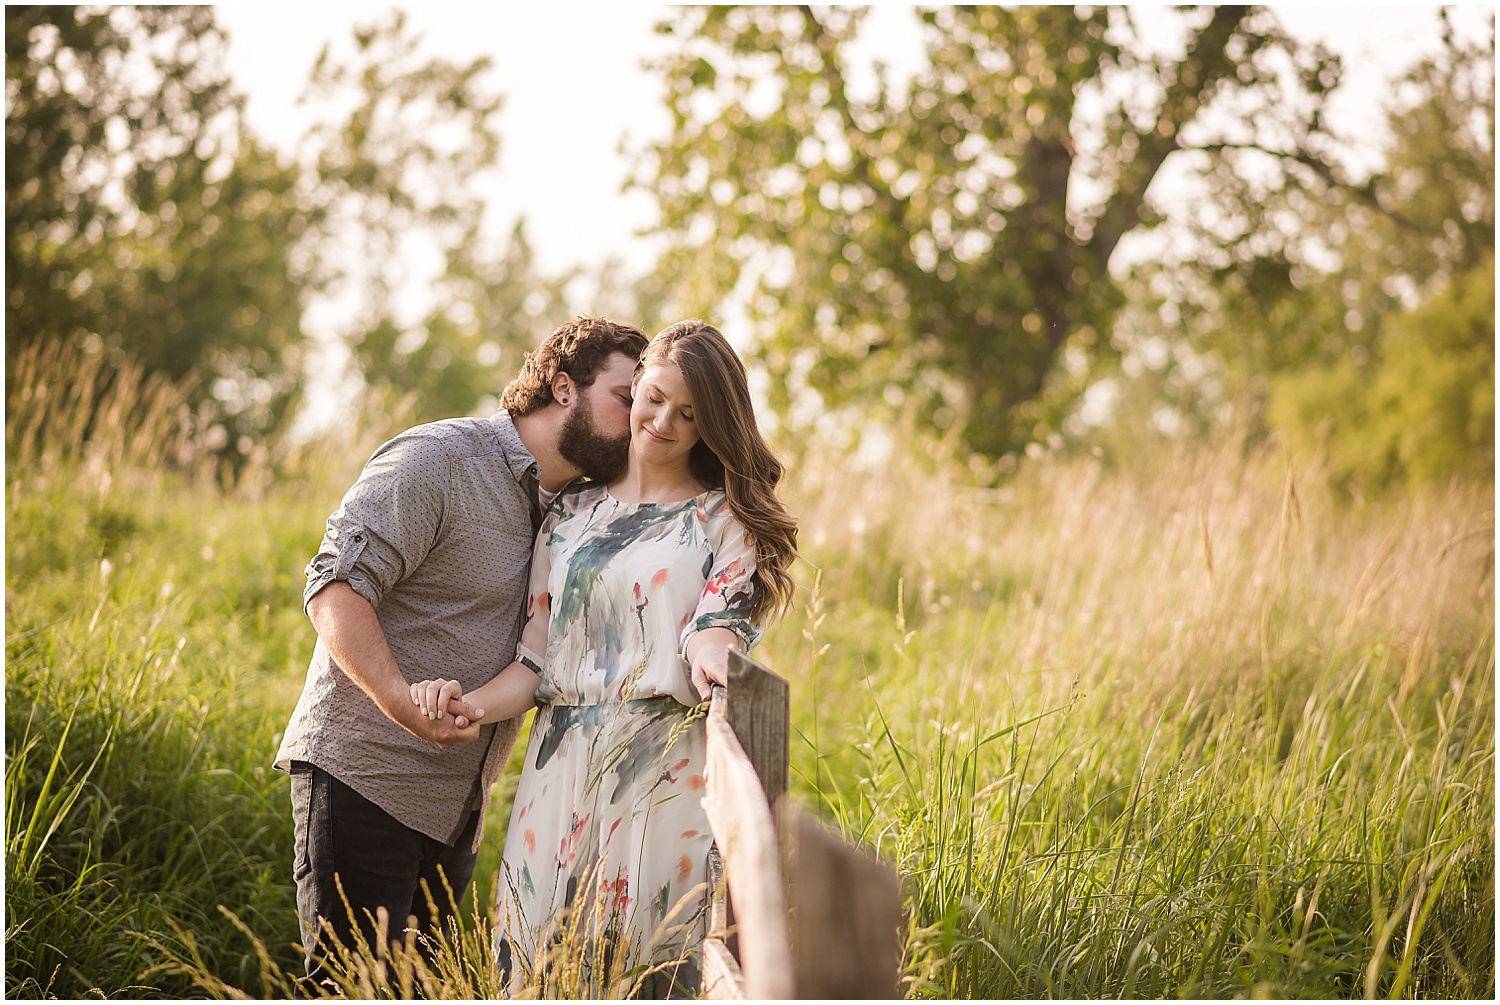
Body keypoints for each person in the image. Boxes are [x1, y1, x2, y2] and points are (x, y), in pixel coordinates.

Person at [410, 319, 798, 996]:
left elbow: (715, 626)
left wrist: (713, 656)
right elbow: (534, 663)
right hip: (557, 774)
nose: (664, 422)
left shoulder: (721, 518)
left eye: (690, 414)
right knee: (541, 969)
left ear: (712, 426)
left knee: (646, 968)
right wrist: (472, 705)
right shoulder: (569, 513)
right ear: (639, 382)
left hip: (662, 775)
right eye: (655, 397)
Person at [274, 316, 650, 993]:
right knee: (352, 991)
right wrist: (400, 704)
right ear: (563, 387)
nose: (637, 419)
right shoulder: (439, 459)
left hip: (457, 811)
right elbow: (333, 587)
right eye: (627, 397)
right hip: (367, 778)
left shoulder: (578, 510)